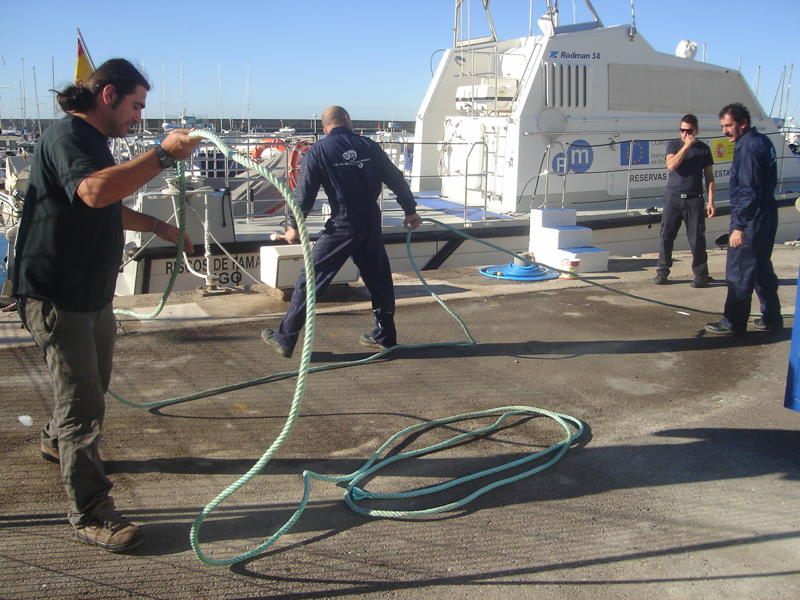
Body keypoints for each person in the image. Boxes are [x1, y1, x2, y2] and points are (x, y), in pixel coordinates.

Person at [13, 58, 201, 552]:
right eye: (136, 105)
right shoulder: (68, 137)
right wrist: (162, 155)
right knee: (84, 404)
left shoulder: (94, 143)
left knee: (91, 386)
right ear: (109, 95)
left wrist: (159, 227)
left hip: (91, 294)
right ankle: (92, 513)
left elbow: (103, 203)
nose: (138, 117)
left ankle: (56, 442)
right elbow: (95, 191)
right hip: (59, 294)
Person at [262, 105, 421, 358]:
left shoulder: (319, 151)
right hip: (370, 219)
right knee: (378, 278)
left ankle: (285, 337)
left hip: (343, 223)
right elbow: (396, 178)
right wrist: (409, 210)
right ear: (347, 120)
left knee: (311, 278)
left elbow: (305, 194)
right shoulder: (369, 146)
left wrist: (293, 225)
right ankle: (385, 335)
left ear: (325, 127)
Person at [705, 103, 782, 335]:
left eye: (729, 126)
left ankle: (734, 322)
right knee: (760, 268)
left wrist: (739, 226)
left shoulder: (747, 148)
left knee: (739, 270)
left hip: (751, 220)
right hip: (767, 215)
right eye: (723, 126)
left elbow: (748, 191)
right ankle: (771, 317)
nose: (724, 131)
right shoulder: (762, 141)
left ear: (743, 124)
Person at [654, 114, 716, 287]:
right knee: (666, 235)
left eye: (688, 131)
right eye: (682, 130)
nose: (685, 133)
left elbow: (709, 176)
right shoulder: (673, 144)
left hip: (694, 198)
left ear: (696, 131)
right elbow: (671, 165)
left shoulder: (704, 149)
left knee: (697, 238)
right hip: (673, 197)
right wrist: (686, 146)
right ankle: (662, 271)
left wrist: (711, 201)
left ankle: (700, 275)